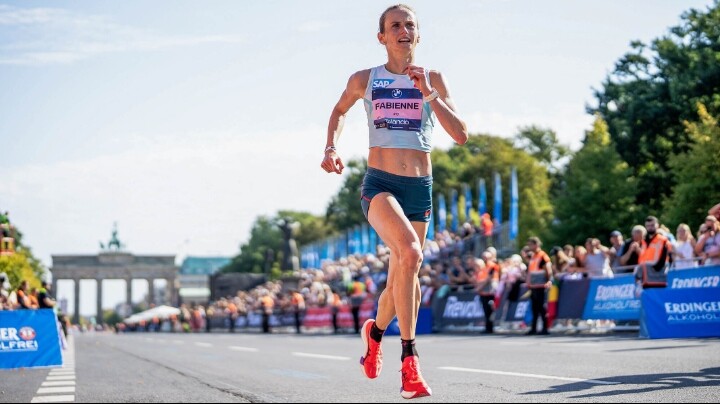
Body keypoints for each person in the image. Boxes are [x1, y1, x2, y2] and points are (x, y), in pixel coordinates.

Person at [320, 4, 468, 398]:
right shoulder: (365, 79)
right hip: (380, 184)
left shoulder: (434, 78)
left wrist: (429, 93)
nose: (404, 30)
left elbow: (460, 135)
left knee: (403, 276)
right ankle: (410, 361)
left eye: (410, 25)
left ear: (418, 35)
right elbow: (339, 110)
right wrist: (331, 146)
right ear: (382, 37)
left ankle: (375, 333)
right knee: (411, 253)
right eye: (395, 25)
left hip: (420, 187)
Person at [634, 216, 672, 289]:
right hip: (644, 276)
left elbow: (667, 258)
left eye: (652, 225)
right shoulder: (643, 241)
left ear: (657, 225)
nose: (650, 228)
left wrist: (656, 268)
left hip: (657, 275)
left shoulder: (663, 240)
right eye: (648, 226)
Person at [525, 237, 552, 335]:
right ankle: (534, 328)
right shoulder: (533, 256)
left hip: (541, 285)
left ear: (536, 245)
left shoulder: (542, 256)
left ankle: (545, 328)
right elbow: (531, 271)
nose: (529, 247)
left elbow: (548, 269)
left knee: (542, 307)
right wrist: (528, 283)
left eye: (531, 245)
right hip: (533, 285)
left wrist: (548, 280)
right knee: (534, 308)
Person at [474, 257, 498, 334]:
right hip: (483, 293)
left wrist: (479, 288)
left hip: (489, 293)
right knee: (486, 312)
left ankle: (490, 328)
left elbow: (488, 280)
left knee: (489, 311)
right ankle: (488, 327)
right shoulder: (480, 271)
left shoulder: (489, 268)